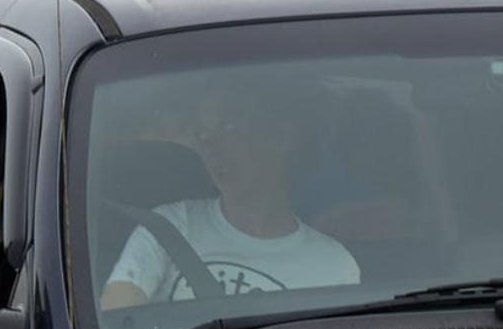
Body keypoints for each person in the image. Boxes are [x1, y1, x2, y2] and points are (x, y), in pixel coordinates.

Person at [101, 77, 359, 309]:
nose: (211, 147)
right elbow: (119, 320)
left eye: (228, 127)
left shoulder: (334, 264)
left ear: (284, 135)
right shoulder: (170, 225)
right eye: (203, 135)